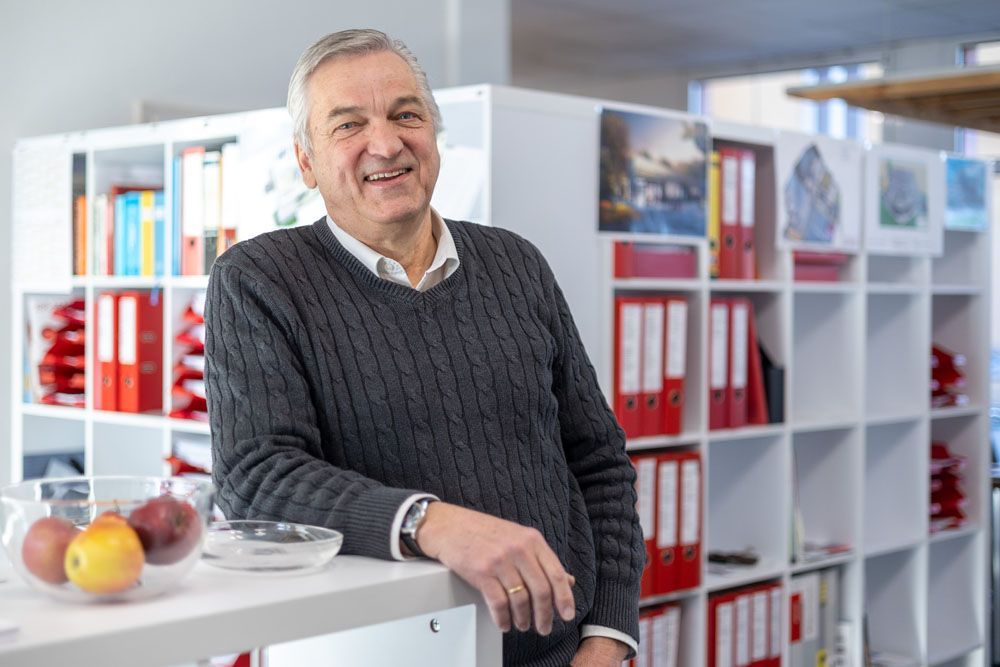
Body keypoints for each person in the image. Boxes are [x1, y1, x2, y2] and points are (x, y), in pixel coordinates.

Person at [205, 28, 643, 666]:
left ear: (434, 134)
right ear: (306, 162)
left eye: (406, 115)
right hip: (373, 653)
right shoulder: (257, 278)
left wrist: (609, 635)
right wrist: (432, 524)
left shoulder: (516, 263)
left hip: (557, 653)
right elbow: (257, 476)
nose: (386, 143)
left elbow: (599, 462)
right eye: (348, 125)